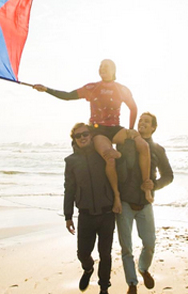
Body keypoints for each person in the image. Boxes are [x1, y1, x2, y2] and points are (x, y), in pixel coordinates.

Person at [33, 59, 152, 214]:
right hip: (98, 131)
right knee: (109, 158)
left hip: (115, 128)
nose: (102, 69)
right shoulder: (92, 88)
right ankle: (116, 196)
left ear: (113, 70)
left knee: (144, 146)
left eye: (106, 67)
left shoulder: (122, 89)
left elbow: (133, 108)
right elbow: (68, 95)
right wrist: (47, 89)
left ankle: (146, 186)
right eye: (100, 67)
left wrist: (130, 129)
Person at [116, 112, 174, 294]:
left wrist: (155, 184)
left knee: (149, 243)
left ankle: (143, 268)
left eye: (146, 122)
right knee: (126, 247)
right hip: (125, 202)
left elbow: (169, 176)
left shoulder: (158, 149)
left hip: (145, 203)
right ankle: (132, 283)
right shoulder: (125, 143)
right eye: (140, 120)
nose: (142, 123)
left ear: (153, 127)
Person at [64, 123, 116, 294]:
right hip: (85, 215)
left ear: (91, 135)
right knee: (83, 253)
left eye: (85, 134)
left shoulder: (101, 154)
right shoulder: (71, 161)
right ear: (74, 140)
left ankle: (103, 288)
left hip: (107, 212)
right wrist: (68, 215)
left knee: (105, 254)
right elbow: (69, 189)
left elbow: (116, 173)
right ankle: (88, 269)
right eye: (78, 136)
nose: (82, 137)